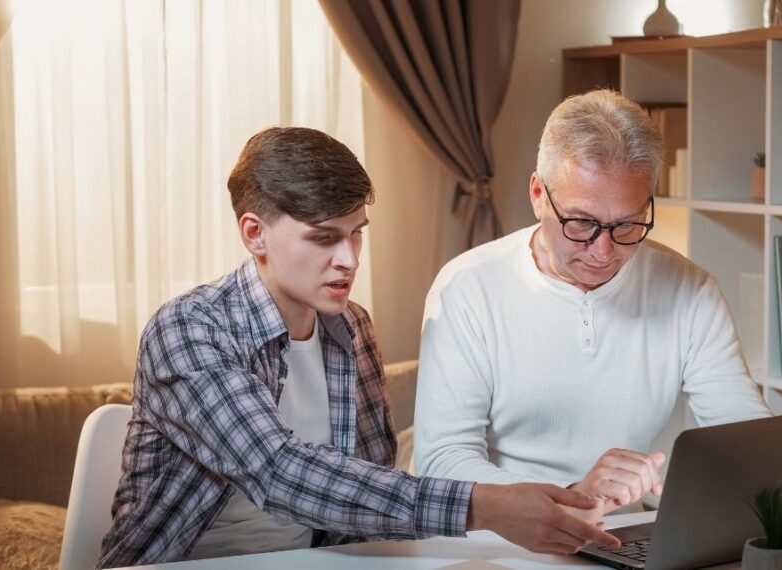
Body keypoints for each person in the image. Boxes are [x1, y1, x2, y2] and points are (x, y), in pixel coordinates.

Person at [98, 127, 620, 568]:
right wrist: (485, 507)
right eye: (324, 238)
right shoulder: (189, 329)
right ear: (255, 234)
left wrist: (543, 504)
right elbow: (281, 474)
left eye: (356, 233)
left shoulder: (350, 329)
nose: (348, 259)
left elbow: (367, 488)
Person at [413, 89, 782, 520]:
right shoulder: (468, 288)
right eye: (582, 224)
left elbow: (741, 429)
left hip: (623, 538)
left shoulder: (688, 288)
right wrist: (567, 499)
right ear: (538, 194)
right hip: (499, 545)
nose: (604, 252)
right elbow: (443, 461)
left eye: (628, 224)